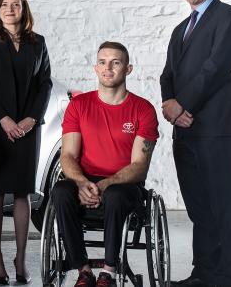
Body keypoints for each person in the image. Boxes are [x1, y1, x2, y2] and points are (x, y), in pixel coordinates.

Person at [161, 0, 231, 287]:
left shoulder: (229, 17)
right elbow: (168, 74)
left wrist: (181, 104)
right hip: (184, 132)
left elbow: (217, 68)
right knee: (199, 208)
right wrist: (171, 106)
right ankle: (204, 274)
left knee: (225, 206)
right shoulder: (180, 29)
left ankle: (226, 278)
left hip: (216, 129)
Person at [52, 41, 159, 287]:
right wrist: (81, 182)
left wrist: (105, 185)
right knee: (60, 191)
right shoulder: (79, 105)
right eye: (102, 62)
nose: (107, 68)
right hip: (85, 179)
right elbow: (67, 155)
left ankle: (109, 272)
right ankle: (83, 269)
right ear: (95, 68)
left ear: (128, 69)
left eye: (115, 62)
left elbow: (140, 165)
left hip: (124, 185)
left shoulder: (143, 110)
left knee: (116, 196)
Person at [0, 0, 52, 284]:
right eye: (5, 4)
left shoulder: (38, 43)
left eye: (15, 4)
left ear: (23, 9)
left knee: (22, 191)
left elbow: (44, 84)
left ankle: (20, 257)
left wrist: (32, 119)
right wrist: (3, 119)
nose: (10, 8)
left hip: (28, 127)